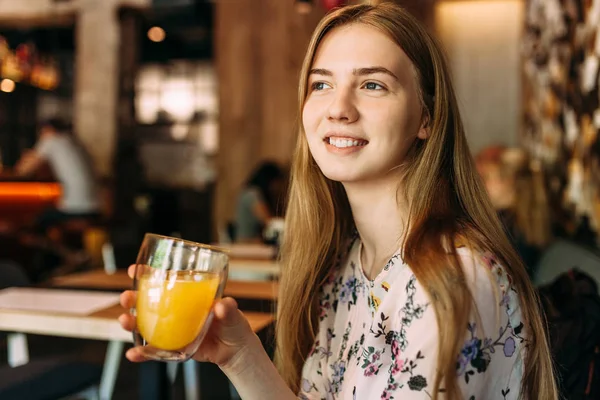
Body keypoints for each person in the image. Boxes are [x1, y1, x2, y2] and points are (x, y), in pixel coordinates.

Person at [119, 4, 557, 399]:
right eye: (321, 84)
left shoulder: (453, 283)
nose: (339, 108)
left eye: (372, 84)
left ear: (426, 116)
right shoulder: (348, 262)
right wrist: (239, 357)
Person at [475, 145, 552, 276]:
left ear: (509, 182)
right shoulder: (530, 225)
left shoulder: (503, 227)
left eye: (488, 177)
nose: (484, 185)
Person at [14, 118, 100, 232]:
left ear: (47, 129)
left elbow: (23, 171)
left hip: (76, 208)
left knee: (34, 224)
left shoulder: (51, 140)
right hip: (96, 206)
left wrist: (26, 156)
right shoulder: (73, 141)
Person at [234, 161, 285, 243]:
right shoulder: (252, 194)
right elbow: (268, 220)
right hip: (247, 243)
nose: (277, 187)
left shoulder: (250, 192)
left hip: (252, 243)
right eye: (276, 183)